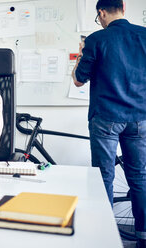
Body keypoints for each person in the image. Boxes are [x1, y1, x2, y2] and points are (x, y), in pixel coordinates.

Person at [72, 0, 146, 246]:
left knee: (103, 175)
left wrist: (81, 55)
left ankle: (103, 236)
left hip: (105, 118)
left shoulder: (96, 40)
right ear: (123, 9)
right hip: (139, 118)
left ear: (101, 12)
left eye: (99, 17)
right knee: (139, 176)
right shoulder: (144, 35)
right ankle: (143, 235)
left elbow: (79, 80)